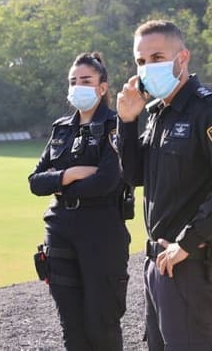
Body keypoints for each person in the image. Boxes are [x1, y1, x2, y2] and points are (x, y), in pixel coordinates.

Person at [116, 20, 212, 350]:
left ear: (183, 57)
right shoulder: (158, 113)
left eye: (158, 56)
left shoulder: (210, 109)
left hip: (187, 262)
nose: (148, 67)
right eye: (141, 61)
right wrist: (127, 122)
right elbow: (135, 177)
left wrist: (187, 243)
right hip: (157, 263)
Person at [29, 52, 131, 351]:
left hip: (101, 230)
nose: (78, 86)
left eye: (86, 80)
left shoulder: (115, 126)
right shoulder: (62, 128)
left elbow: (106, 182)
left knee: (101, 325)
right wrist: (70, 174)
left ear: (102, 87)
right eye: (73, 81)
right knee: (72, 330)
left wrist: (58, 184)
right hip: (60, 230)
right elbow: (35, 182)